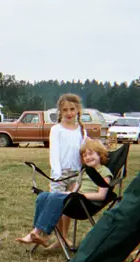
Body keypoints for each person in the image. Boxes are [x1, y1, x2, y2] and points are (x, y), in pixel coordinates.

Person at [16, 139, 113, 247]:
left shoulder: (104, 172)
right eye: (85, 156)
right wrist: (69, 193)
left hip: (86, 204)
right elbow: (75, 190)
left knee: (55, 198)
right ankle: (38, 233)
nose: (88, 157)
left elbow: (101, 196)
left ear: (100, 154)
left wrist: (77, 195)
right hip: (75, 198)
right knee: (43, 196)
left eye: (91, 154)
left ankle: (38, 234)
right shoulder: (84, 171)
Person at [47, 93, 88, 249]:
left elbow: (84, 151)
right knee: (57, 205)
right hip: (59, 174)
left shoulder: (82, 131)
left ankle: (64, 237)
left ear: (78, 110)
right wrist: (56, 174)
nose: (69, 113)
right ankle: (60, 238)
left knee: (69, 207)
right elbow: (54, 152)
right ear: (60, 112)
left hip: (75, 174)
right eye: (65, 110)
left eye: (72, 109)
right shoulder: (56, 129)